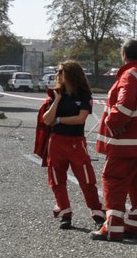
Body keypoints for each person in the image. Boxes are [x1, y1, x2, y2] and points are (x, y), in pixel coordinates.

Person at [93, 40, 137, 241]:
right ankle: (136, 226)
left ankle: (112, 228)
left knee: (113, 181)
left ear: (124, 54)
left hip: (125, 143)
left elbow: (124, 105)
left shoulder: (130, 75)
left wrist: (111, 121)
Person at [37, 61, 104, 230]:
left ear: (71, 74)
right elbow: (46, 119)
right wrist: (57, 99)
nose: (57, 75)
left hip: (75, 142)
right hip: (56, 142)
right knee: (57, 179)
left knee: (86, 179)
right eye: (56, 71)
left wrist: (59, 120)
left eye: (60, 71)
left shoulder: (83, 94)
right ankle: (65, 213)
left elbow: (80, 119)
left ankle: (97, 212)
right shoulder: (55, 94)